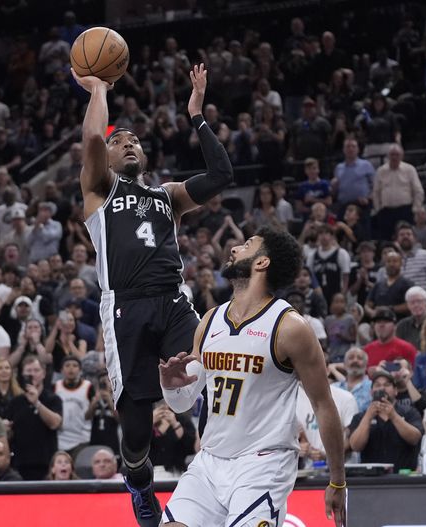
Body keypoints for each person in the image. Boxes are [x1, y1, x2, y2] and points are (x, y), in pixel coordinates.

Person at [73, 63, 233, 524]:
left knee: (208, 367)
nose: (127, 144)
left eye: (134, 141)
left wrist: (197, 115)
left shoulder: (168, 196)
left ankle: (221, 458)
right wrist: (100, 89)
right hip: (125, 306)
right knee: (137, 433)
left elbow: (221, 174)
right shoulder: (99, 189)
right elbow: (91, 142)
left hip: (173, 299)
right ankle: (140, 486)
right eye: (118, 141)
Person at [158, 227, 346, 527]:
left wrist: (337, 481)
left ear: (262, 262)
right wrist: (171, 385)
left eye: (247, 245)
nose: (234, 249)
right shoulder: (210, 320)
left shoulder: (290, 327)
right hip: (210, 460)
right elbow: (183, 403)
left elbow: (324, 405)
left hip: (263, 462)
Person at [348, 371, 423, 470]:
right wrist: (368, 417)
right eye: (377, 385)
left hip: (404, 477)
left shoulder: (409, 412)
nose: (382, 388)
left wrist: (394, 416)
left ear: (396, 391)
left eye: (387, 385)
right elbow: (355, 446)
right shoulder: (361, 417)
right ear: (371, 392)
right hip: (371, 478)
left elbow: (415, 439)